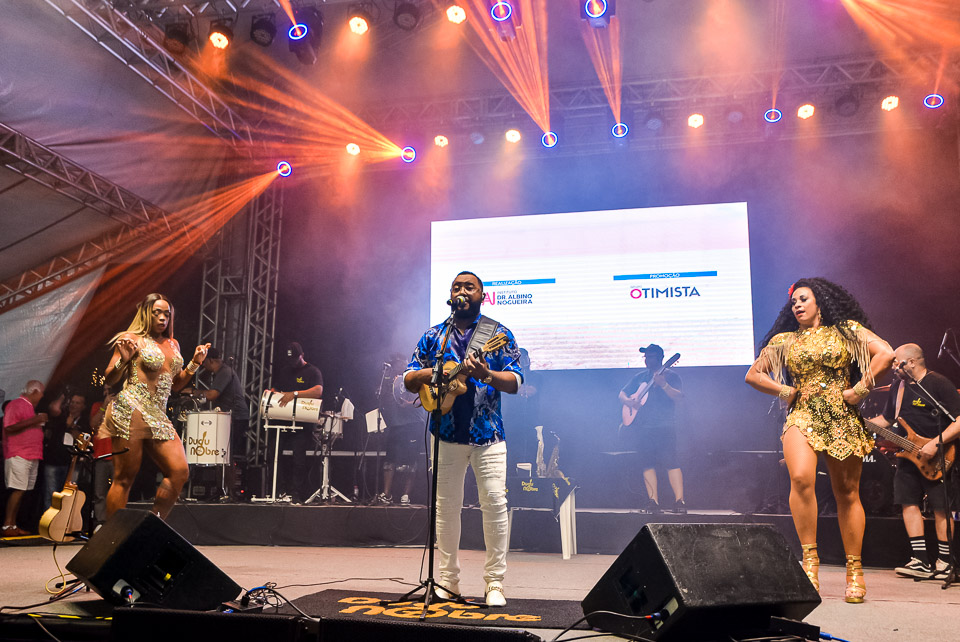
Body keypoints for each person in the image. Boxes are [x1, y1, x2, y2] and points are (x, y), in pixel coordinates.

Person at [745, 278, 894, 603]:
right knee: (800, 478)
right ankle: (810, 563)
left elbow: (886, 354)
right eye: (793, 302)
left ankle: (854, 570)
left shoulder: (846, 331)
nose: (797, 305)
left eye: (803, 299)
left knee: (847, 492)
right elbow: (753, 375)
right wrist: (785, 391)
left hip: (841, 415)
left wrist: (860, 390)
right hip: (802, 414)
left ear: (819, 302)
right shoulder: (785, 340)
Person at [403, 271, 523, 607]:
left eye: (470, 287)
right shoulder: (435, 336)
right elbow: (409, 378)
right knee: (446, 508)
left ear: (482, 295)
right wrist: (436, 372)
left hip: (489, 433)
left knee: (494, 505)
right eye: (457, 286)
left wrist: (486, 374)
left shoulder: (498, 334)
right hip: (445, 433)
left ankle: (494, 583)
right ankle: (448, 580)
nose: (462, 291)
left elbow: (515, 381)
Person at [100, 293, 209, 520]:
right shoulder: (131, 339)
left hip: (158, 414)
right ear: (145, 314)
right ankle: (113, 534)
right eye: (156, 313)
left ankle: (153, 524)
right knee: (124, 477)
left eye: (166, 314)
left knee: (179, 471)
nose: (162, 318)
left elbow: (175, 385)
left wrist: (194, 363)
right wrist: (123, 360)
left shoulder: (173, 344)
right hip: (131, 408)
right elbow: (109, 379)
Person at [868, 344, 960, 580]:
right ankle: (920, 561)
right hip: (908, 456)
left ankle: (945, 562)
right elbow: (887, 419)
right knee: (908, 503)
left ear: (911, 362)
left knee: (941, 507)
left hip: (939, 456)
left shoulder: (938, 384)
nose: (892, 366)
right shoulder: (898, 387)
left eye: (896, 362)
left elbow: (958, 420)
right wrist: (860, 422)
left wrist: (935, 444)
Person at [618, 344, 685, 514]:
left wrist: (664, 385)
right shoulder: (639, 377)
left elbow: (679, 397)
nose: (647, 360)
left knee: (671, 462)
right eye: (645, 357)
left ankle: (679, 501)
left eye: (650, 356)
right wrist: (628, 401)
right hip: (643, 427)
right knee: (647, 463)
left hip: (665, 426)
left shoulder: (671, 376)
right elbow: (622, 394)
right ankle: (653, 501)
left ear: (660, 358)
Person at [272, 342, 323, 502]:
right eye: (290, 359)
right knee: (274, 455)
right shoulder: (285, 371)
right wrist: (272, 393)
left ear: (302, 355)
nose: (293, 362)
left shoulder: (312, 371)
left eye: (295, 358)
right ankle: (279, 491)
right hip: (282, 420)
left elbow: (318, 391)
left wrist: (294, 394)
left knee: (298, 459)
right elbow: (276, 389)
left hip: (302, 423)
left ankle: (296, 493)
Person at [2, 380, 47, 536]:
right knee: (18, 489)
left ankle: (13, 525)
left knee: (23, 490)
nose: (42, 397)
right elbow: (9, 427)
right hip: (19, 454)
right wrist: (35, 420)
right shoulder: (16, 404)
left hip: (31, 455)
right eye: (41, 393)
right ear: (34, 392)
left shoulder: (29, 408)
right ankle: (7, 525)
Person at [40, 392, 89, 513]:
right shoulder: (60, 416)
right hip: (54, 460)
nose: (74, 405)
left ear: (83, 406)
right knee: (51, 494)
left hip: (73, 464)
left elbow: (84, 440)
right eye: (72, 402)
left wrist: (71, 426)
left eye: (77, 403)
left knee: (69, 496)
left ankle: (65, 521)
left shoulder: (85, 421)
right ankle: (49, 521)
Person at [199, 348, 250, 461]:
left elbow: (212, 395)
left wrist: (194, 392)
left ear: (211, 360)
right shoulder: (221, 372)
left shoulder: (225, 372)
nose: (203, 364)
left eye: (204, 361)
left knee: (226, 452)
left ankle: (228, 471)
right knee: (224, 451)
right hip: (231, 416)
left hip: (236, 416)